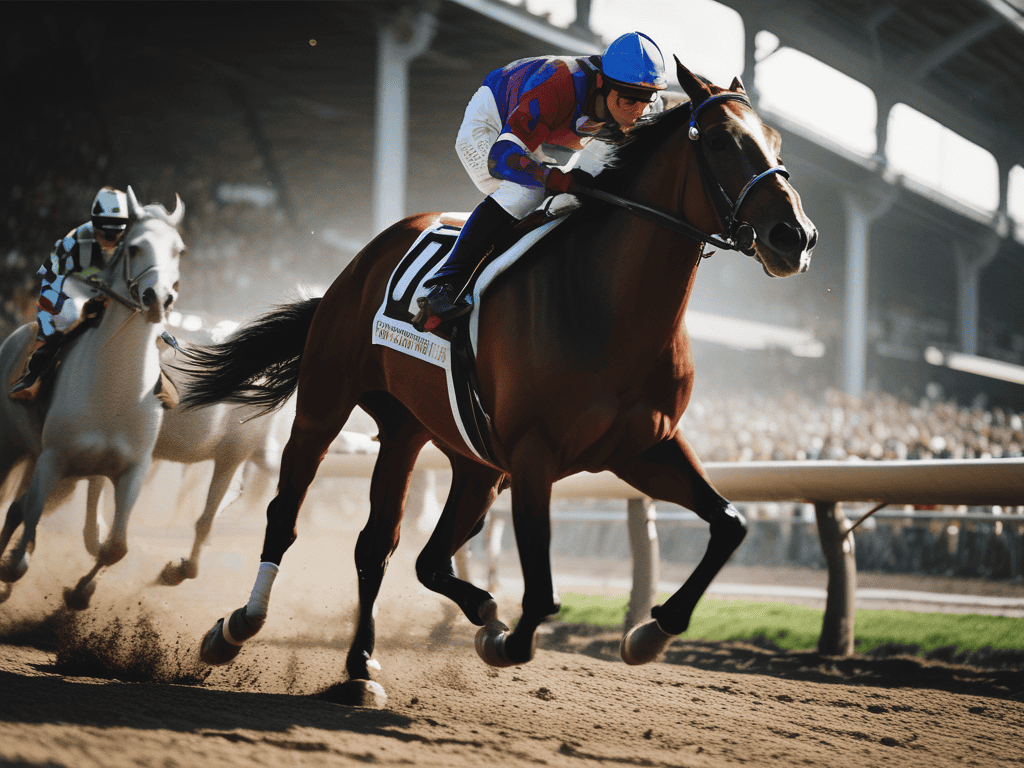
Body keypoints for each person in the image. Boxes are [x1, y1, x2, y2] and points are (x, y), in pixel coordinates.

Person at [413, 31, 668, 332]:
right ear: (603, 83)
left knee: (579, 200)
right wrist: (554, 179)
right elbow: (502, 158)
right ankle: (444, 285)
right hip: (493, 125)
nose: (638, 111)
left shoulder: (643, 101)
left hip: (548, 140)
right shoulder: (558, 84)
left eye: (646, 101)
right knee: (526, 191)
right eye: (629, 101)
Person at [9, 186, 130, 401]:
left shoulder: (131, 242)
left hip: (112, 294)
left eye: (116, 233)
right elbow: (50, 278)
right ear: (95, 223)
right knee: (70, 313)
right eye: (105, 231)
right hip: (76, 289)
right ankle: (34, 375)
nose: (110, 240)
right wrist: (47, 325)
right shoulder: (74, 239)